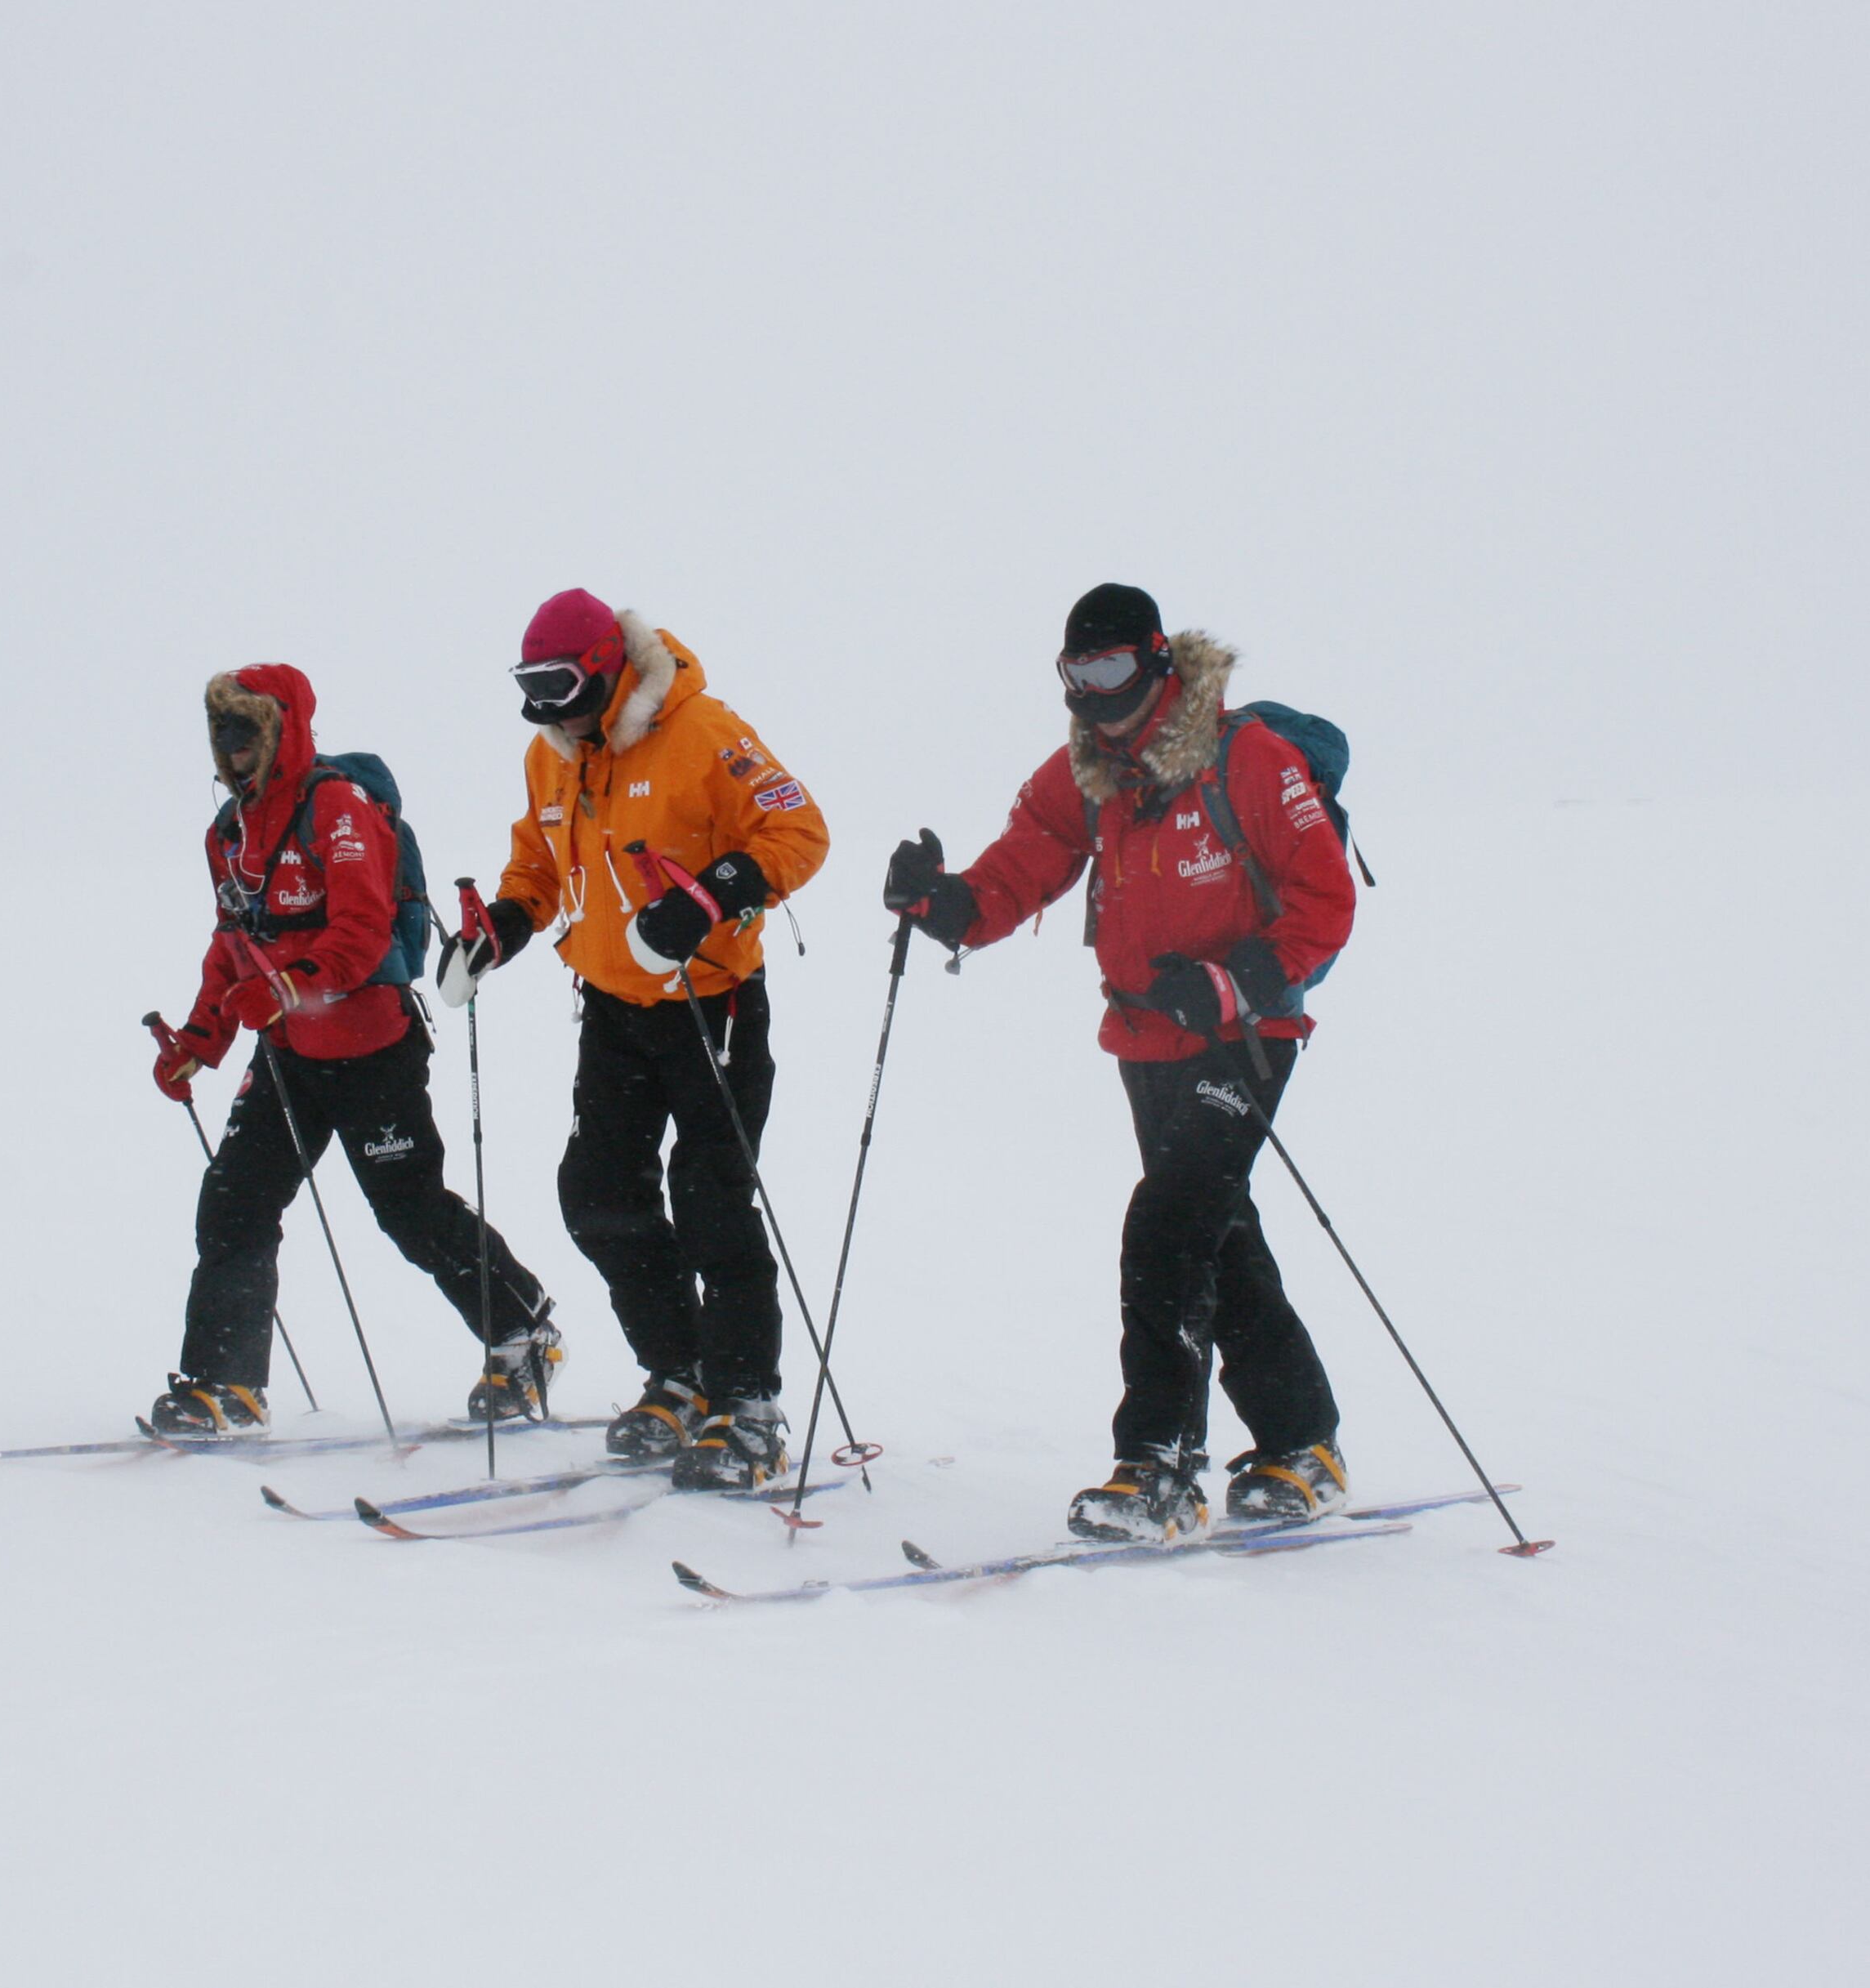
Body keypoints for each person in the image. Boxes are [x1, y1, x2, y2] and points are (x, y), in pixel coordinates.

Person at [881, 584, 1359, 1543]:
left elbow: (1325, 899)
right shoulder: (1089, 772)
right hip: (1143, 1039)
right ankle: (1303, 1445)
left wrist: (1230, 985)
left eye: (1107, 671)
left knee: (1168, 1229)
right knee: (1216, 1237)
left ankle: (1158, 1468)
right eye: (1074, 675)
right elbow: (1021, 867)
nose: (1092, 694)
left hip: (1245, 1039)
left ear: (1155, 663)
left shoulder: (1250, 761)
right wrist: (942, 903)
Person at [437, 591, 829, 1490]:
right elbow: (537, 869)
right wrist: (495, 929)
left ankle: (749, 1404)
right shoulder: (554, 755)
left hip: (711, 1005)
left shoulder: (703, 732)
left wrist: (705, 898)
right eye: (530, 686)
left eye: (562, 683)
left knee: (712, 1200)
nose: (548, 705)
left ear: (610, 668)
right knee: (598, 1192)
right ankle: (681, 1373)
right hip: (613, 1008)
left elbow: (800, 830)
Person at [145, 662, 554, 1434]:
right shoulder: (227, 833)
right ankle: (223, 1385)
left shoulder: (337, 807)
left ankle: (524, 1332)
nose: (232, 750)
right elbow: (232, 942)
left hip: (374, 1046)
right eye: (221, 732)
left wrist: (291, 985)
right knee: (235, 1200)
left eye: (246, 731)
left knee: (410, 1212)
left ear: (283, 729)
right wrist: (201, 1040)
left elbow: (362, 933)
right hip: (289, 1051)